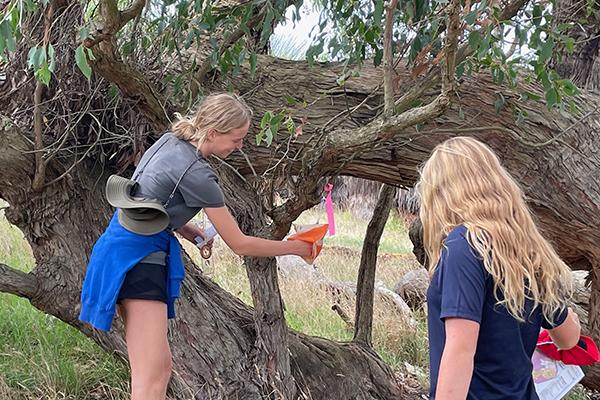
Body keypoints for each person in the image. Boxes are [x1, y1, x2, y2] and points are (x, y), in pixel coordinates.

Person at [79, 93, 313, 400]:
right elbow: (240, 244)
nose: (240, 146)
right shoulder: (199, 175)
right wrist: (298, 248)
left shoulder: (170, 141)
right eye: (237, 139)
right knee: (149, 380)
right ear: (213, 133)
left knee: (160, 370)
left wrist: (189, 230)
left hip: (123, 248)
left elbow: (147, 199)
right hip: (136, 262)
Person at [417, 137, 581, 400]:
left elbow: (461, 348)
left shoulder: (465, 243)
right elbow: (568, 338)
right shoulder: (527, 250)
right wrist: (570, 316)